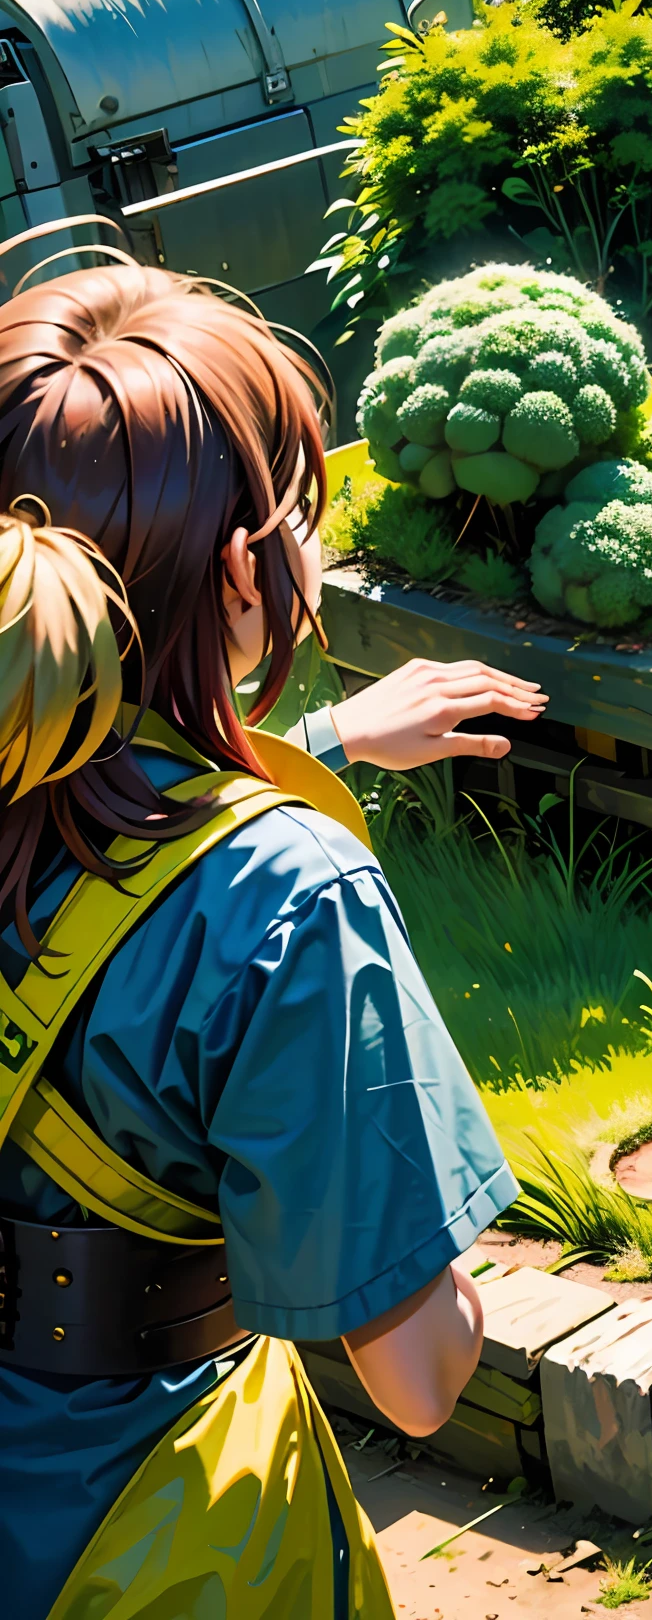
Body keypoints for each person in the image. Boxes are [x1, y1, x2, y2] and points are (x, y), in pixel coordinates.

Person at [0, 264, 547, 1618]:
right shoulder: (286, 898)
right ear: (247, 567)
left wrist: (325, 746)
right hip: (136, 1530)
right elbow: (415, 1381)